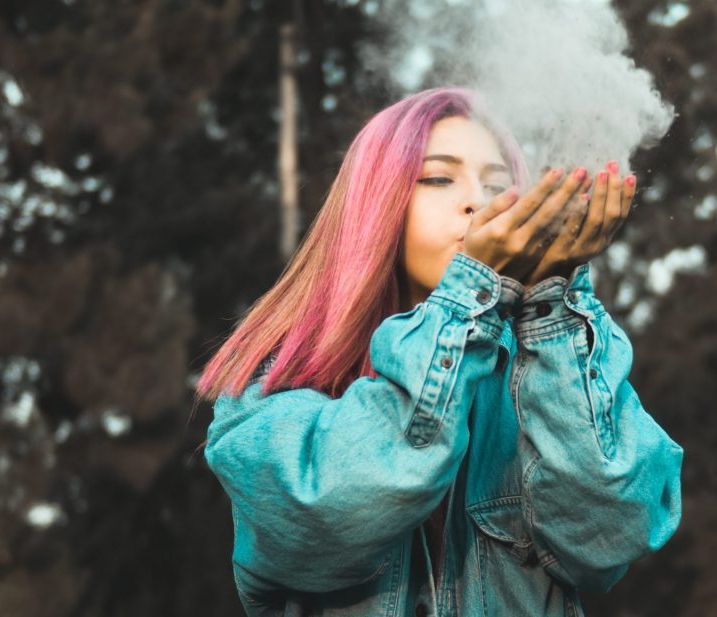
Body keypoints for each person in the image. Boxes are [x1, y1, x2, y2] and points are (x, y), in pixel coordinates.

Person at [195, 86, 683, 617]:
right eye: (438, 177)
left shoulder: (546, 379)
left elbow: (609, 537)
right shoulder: (273, 387)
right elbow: (325, 516)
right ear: (375, 203)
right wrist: (468, 294)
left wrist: (556, 299)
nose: (479, 201)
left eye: (499, 184)